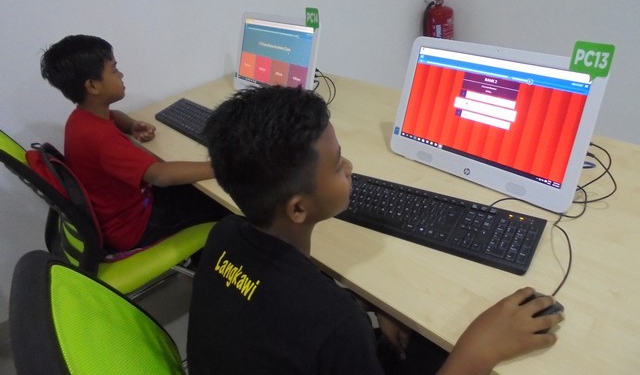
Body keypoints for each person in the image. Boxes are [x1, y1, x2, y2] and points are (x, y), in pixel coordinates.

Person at [187, 85, 564, 375]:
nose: (349, 167)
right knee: (436, 350)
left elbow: (278, 311)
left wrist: (366, 304)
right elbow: (314, 319)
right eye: (338, 165)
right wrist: (481, 349)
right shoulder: (334, 324)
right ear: (298, 208)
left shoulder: (224, 235)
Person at [40, 34, 228, 251]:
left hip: (129, 208)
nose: (121, 75)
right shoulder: (103, 140)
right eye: (114, 70)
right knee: (222, 202)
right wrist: (224, 165)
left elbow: (113, 115)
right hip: (135, 227)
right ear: (92, 86)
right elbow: (160, 175)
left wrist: (131, 125)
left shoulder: (81, 118)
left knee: (194, 187)